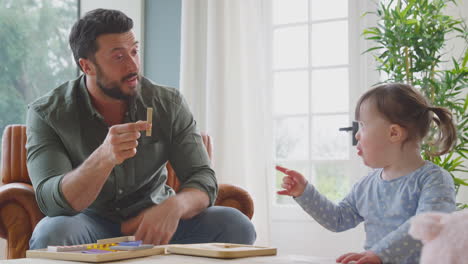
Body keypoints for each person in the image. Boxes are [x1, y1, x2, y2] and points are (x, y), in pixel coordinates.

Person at [26, 8, 255, 249]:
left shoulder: (168, 104)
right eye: (119, 57)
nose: (133, 65)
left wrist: (174, 207)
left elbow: (203, 178)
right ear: (87, 66)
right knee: (51, 234)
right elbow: (52, 203)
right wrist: (103, 158)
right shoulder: (48, 114)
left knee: (234, 224)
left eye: (134, 51)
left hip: (156, 222)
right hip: (88, 224)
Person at [277, 83, 457, 264]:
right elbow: (337, 219)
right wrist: (305, 193)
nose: (356, 135)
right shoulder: (367, 185)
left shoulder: (434, 180)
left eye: (362, 125)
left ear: (394, 133)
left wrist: (379, 254)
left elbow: (426, 226)